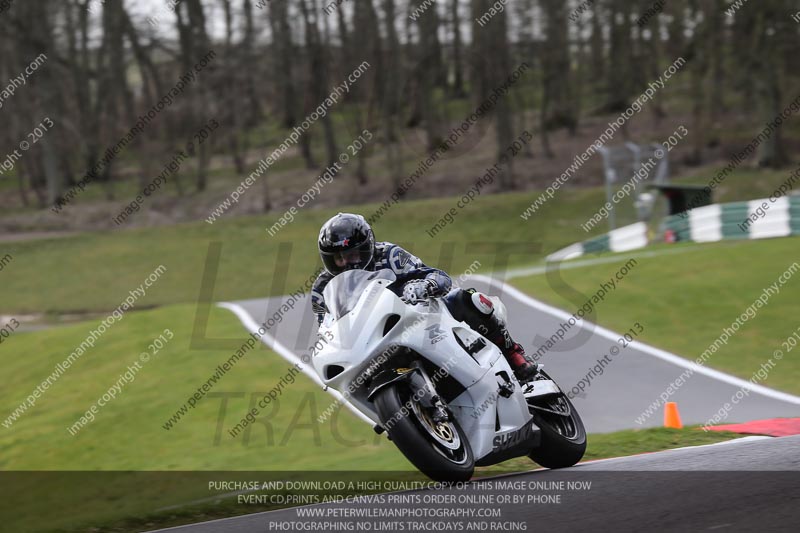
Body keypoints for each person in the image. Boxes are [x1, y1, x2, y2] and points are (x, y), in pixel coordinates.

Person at [311, 213, 539, 381]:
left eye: (350, 254)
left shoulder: (389, 255)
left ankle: (513, 354)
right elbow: (327, 327)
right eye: (337, 259)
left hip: (419, 317)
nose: (344, 263)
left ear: (366, 246)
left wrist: (425, 286)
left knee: (467, 298)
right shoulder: (322, 288)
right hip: (371, 340)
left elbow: (439, 276)